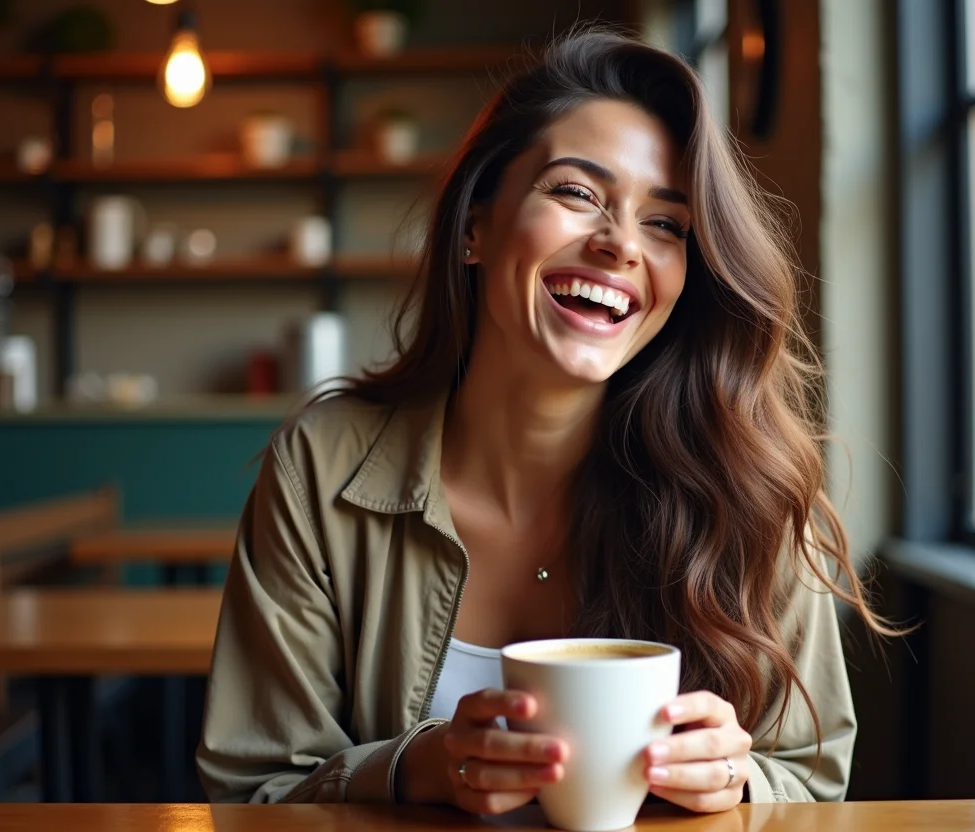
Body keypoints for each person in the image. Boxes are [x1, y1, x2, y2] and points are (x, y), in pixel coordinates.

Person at [197, 27, 895, 813]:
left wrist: (737, 778)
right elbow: (248, 792)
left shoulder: (745, 485)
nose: (620, 244)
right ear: (475, 227)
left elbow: (813, 784)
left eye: (665, 224)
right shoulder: (321, 469)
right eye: (576, 193)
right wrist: (422, 767)